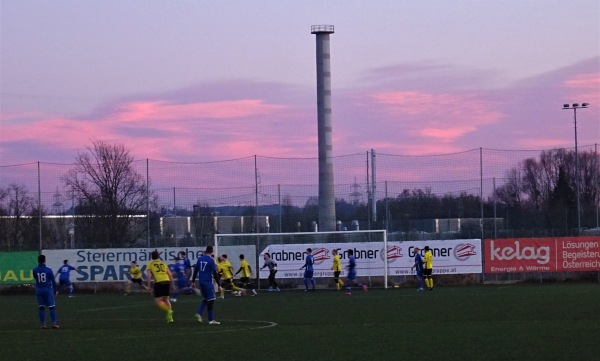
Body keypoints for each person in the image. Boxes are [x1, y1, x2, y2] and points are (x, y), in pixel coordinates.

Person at [191, 245, 220, 325]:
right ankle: (210, 319)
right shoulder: (211, 260)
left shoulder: (200, 259)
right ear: (212, 251)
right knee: (211, 300)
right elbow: (214, 273)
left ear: (205, 251)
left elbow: (196, 270)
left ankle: (200, 314)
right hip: (207, 282)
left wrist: (193, 281)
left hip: (201, 281)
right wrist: (219, 284)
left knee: (207, 299)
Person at [145, 250, 175, 323]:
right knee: (166, 299)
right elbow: (170, 274)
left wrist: (148, 286)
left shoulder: (150, 264)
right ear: (158, 256)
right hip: (167, 281)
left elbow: (149, 275)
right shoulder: (163, 263)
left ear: (151, 257)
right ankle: (170, 318)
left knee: (158, 302)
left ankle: (169, 311)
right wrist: (172, 285)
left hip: (159, 282)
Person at [33, 254, 59, 329]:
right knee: (52, 307)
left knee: (41, 308)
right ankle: (54, 323)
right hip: (47, 290)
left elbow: (35, 277)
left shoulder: (35, 270)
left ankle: (43, 324)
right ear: (45, 260)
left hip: (39, 290)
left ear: (38, 261)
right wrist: (56, 290)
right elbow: (53, 281)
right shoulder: (49, 270)